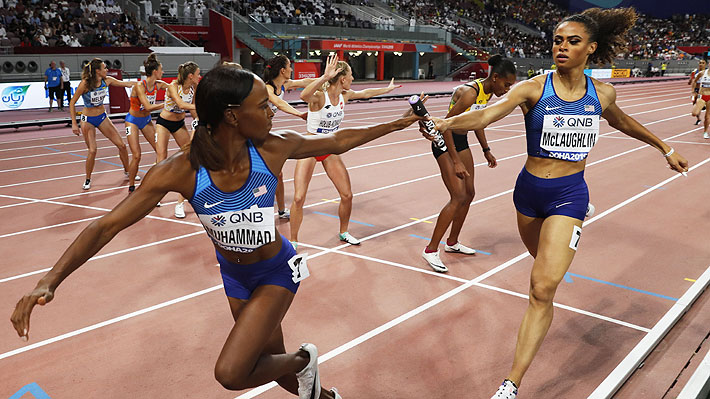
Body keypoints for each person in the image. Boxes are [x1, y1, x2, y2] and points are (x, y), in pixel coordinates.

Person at [11, 64, 421, 399]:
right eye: (263, 106)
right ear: (231, 115)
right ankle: (319, 392)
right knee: (267, 368)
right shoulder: (182, 170)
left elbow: (340, 139)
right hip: (235, 278)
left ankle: (303, 359)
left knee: (232, 372)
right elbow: (106, 225)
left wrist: (399, 123)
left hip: (276, 272)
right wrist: (49, 280)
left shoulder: (272, 148)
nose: (272, 112)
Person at [430, 8, 688, 398]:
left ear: (591, 48)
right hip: (528, 193)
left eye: (573, 41)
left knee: (541, 289)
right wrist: (449, 123)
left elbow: (621, 121)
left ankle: (510, 384)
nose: (562, 47)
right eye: (557, 40)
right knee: (542, 268)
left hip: (570, 194)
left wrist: (664, 146)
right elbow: (488, 113)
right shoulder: (533, 87)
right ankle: (556, 256)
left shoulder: (602, 93)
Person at [290, 54, 400, 248]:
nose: (353, 79)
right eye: (351, 76)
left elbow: (366, 93)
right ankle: (293, 241)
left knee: (347, 195)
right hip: (309, 147)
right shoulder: (319, 96)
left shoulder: (345, 95)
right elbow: (303, 96)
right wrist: (323, 77)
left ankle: (344, 232)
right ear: (342, 79)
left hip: (330, 147)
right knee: (299, 197)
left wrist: (387, 89)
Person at [421, 55, 516, 273]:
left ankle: (452, 243)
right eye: (506, 84)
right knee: (458, 196)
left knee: (470, 193)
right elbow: (446, 126)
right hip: (445, 141)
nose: (507, 89)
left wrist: (486, 149)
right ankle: (430, 249)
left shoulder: (487, 92)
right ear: (495, 78)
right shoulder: (469, 93)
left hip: (460, 140)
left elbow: (477, 121)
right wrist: (455, 162)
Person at [262, 55, 317, 221]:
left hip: (265, 134)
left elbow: (304, 83)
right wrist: (300, 114)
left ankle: (280, 210)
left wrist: (326, 78)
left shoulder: (284, 84)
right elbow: (280, 104)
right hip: (251, 135)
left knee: (277, 174)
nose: (292, 69)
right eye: (289, 67)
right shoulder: (267, 89)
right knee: (263, 176)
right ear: (282, 70)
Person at [69, 58, 136, 190]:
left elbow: (125, 84)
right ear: (97, 71)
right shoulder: (85, 84)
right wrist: (74, 123)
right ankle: (87, 179)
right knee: (93, 150)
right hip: (87, 120)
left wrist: (142, 84)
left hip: (102, 117)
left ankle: (128, 171)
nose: (107, 70)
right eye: (104, 68)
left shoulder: (107, 80)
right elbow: (72, 103)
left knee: (122, 145)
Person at [155, 61, 200, 218]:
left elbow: (192, 109)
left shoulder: (193, 88)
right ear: (190, 76)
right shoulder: (173, 86)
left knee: (188, 156)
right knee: (161, 158)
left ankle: (181, 201)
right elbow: (181, 103)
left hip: (179, 124)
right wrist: (204, 106)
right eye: (198, 74)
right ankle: (156, 192)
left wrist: (199, 119)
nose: (199, 76)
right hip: (164, 123)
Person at [125, 54, 169, 192]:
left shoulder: (159, 85)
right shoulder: (140, 86)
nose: (163, 72)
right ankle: (132, 186)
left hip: (146, 121)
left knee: (160, 151)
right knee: (137, 155)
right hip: (132, 121)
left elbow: (174, 87)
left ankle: (155, 182)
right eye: (161, 70)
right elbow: (148, 107)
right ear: (155, 71)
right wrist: (164, 104)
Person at [691, 60, 710, 139]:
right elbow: (694, 81)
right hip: (702, 95)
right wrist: (693, 91)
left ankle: (705, 132)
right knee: (694, 113)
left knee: (707, 116)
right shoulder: (702, 73)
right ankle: (700, 109)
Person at [690, 59, 706, 126]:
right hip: (696, 90)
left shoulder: (707, 72)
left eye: (702, 63)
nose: (701, 64)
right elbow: (693, 81)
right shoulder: (695, 71)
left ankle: (703, 106)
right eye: (700, 63)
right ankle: (698, 118)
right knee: (694, 103)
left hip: (704, 90)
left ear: (705, 64)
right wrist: (692, 90)